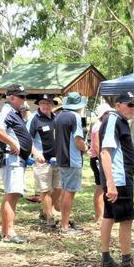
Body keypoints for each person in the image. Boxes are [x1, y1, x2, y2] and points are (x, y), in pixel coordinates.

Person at [99, 92, 134, 267]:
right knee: (126, 220)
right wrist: (111, 184)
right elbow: (105, 152)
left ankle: (106, 261)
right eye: (130, 105)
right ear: (118, 104)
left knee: (109, 216)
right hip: (118, 180)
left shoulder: (118, 121)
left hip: (117, 179)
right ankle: (127, 261)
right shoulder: (114, 120)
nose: (133, 108)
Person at [0, 84, 33, 244]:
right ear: (12, 97)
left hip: (16, 160)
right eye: (21, 97)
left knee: (11, 194)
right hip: (12, 159)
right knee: (13, 194)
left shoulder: (16, 113)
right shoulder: (8, 111)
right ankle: (10, 232)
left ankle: (5, 231)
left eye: (25, 97)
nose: (24, 100)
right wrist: (13, 144)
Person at [54, 91, 88, 235]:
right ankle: (65, 226)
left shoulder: (59, 116)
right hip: (72, 159)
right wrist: (86, 148)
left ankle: (64, 222)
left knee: (65, 190)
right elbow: (78, 140)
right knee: (69, 192)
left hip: (61, 157)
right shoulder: (75, 117)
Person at [27, 94, 61, 226]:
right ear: (39, 104)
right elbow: (27, 139)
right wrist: (35, 153)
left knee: (58, 188)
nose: (45, 106)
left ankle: (45, 209)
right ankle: (50, 217)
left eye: (48, 103)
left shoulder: (56, 118)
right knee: (45, 189)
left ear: (52, 105)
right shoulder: (34, 119)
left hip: (57, 159)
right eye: (42, 103)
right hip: (42, 160)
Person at [89, 103, 112, 222]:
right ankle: (99, 215)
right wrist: (101, 160)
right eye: (107, 113)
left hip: (101, 158)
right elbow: (97, 145)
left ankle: (102, 213)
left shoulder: (103, 125)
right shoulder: (98, 126)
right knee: (100, 188)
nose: (109, 115)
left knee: (103, 187)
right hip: (98, 159)